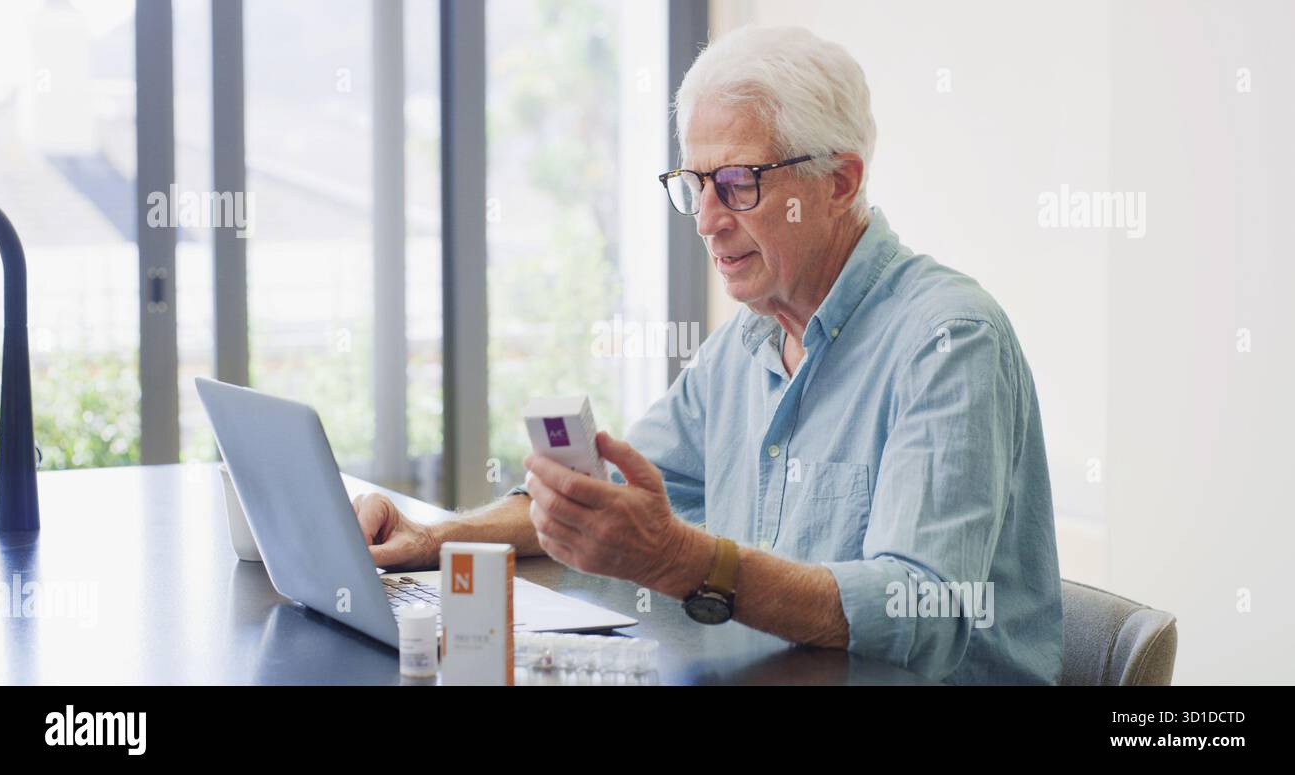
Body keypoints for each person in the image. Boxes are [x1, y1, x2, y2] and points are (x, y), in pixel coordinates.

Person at [353, 25, 1063, 685]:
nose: (706, 220)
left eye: (738, 184)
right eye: (694, 185)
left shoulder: (949, 339)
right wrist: (439, 536)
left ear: (840, 182)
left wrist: (686, 561)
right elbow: (611, 497)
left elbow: (921, 610)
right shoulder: (744, 344)